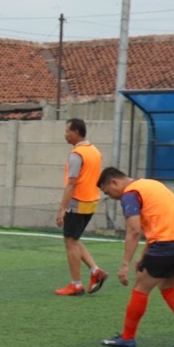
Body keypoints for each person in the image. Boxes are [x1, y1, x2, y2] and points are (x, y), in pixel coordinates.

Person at [96, 167, 174, 347]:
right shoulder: (150, 184)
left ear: (114, 182)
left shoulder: (130, 194)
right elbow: (160, 222)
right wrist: (143, 255)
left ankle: (127, 337)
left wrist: (125, 264)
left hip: (169, 244)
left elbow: (134, 230)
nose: (111, 197)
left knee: (140, 288)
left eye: (108, 192)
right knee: (167, 286)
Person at [54, 118, 107, 296]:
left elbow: (72, 182)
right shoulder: (95, 151)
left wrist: (62, 208)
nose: (65, 134)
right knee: (74, 239)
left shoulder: (77, 154)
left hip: (77, 202)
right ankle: (95, 271)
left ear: (76, 132)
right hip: (91, 201)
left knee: (69, 242)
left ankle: (76, 284)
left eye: (67, 130)